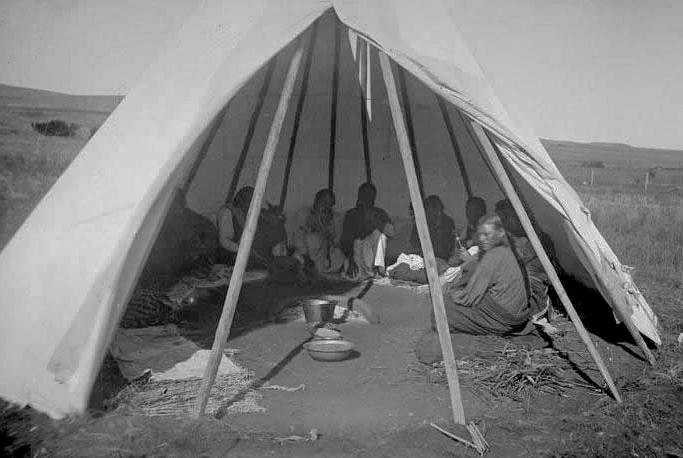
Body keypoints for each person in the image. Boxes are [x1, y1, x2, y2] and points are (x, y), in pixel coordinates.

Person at [415, 216, 530, 364]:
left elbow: (469, 297)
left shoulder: (493, 255)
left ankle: (476, 337)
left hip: (502, 319)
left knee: (442, 310)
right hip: (517, 315)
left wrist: (452, 295)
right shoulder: (510, 250)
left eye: (487, 235)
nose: (482, 239)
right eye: (480, 234)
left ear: (500, 233)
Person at [494, 199, 557, 322]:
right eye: (501, 218)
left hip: (532, 296)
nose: (504, 222)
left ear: (519, 216)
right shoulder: (511, 236)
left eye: (507, 217)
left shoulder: (538, 239)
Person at [216, 186, 287, 268]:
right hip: (232, 255)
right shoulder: (227, 212)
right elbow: (224, 240)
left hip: (253, 252)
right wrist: (242, 249)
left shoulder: (258, 212)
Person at [341, 182, 396, 279]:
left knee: (379, 235)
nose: (367, 197)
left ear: (374, 197)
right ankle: (365, 271)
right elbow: (345, 240)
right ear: (359, 195)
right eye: (364, 194)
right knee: (355, 277)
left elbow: (391, 233)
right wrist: (350, 260)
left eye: (370, 195)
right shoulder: (351, 214)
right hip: (355, 252)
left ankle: (379, 269)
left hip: (371, 253)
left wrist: (373, 218)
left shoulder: (379, 213)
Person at [292, 189, 347, 274]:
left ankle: (321, 273)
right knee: (298, 257)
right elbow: (298, 237)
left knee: (339, 256)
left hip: (326, 256)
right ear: (316, 201)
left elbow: (337, 242)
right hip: (307, 253)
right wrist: (306, 257)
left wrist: (327, 226)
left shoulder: (336, 218)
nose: (326, 206)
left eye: (329, 204)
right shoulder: (303, 213)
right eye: (323, 202)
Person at [408, 195, 457, 261]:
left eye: (435, 209)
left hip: (445, 261)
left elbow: (451, 247)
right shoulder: (420, 224)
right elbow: (414, 246)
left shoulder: (448, 222)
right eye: (430, 210)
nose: (433, 213)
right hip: (424, 261)